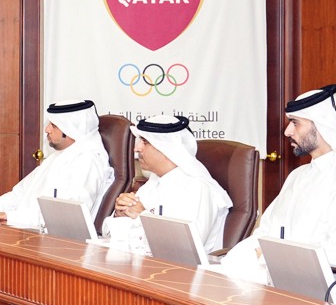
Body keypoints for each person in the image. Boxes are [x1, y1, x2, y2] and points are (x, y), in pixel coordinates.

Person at [221, 85, 336, 283]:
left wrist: (265, 258)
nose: (287, 132)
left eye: (295, 123)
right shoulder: (297, 176)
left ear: (322, 124)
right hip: (277, 281)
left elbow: (328, 255)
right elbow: (265, 233)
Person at [104, 114, 231, 253]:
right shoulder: (153, 182)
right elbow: (109, 234)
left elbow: (186, 249)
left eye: (145, 142)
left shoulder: (198, 188)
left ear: (167, 148)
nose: (137, 148)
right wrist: (120, 213)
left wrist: (142, 216)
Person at [0, 100, 115, 229]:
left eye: (53, 125)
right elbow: (18, 195)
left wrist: (10, 217)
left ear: (71, 129)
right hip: (29, 233)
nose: (47, 129)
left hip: (57, 243)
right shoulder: (56, 157)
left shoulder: (88, 162)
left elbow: (66, 218)